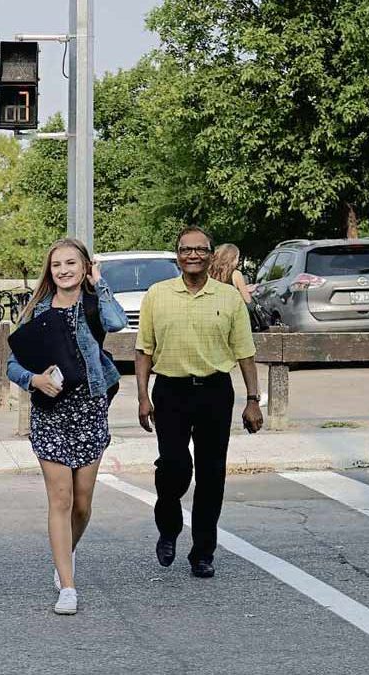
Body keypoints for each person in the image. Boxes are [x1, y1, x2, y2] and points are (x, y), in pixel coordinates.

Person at [135, 226, 264, 580]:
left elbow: (245, 354)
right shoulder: (157, 295)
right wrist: (143, 396)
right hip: (170, 392)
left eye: (200, 249)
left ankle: (203, 552)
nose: (193, 255)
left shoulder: (228, 298)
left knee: (211, 475)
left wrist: (253, 400)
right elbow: (144, 349)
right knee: (174, 468)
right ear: (177, 255)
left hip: (214, 393)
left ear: (210, 255)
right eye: (185, 249)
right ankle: (169, 523)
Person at [6, 238, 126, 615]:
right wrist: (33, 380)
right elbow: (13, 364)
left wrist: (99, 283)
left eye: (71, 263)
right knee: (60, 499)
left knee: (82, 503)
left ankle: (64, 555)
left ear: (85, 265)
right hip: (51, 412)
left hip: (89, 407)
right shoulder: (38, 310)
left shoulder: (93, 303)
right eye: (57, 264)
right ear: (49, 270)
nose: (63, 270)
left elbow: (118, 322)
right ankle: (68, 585)